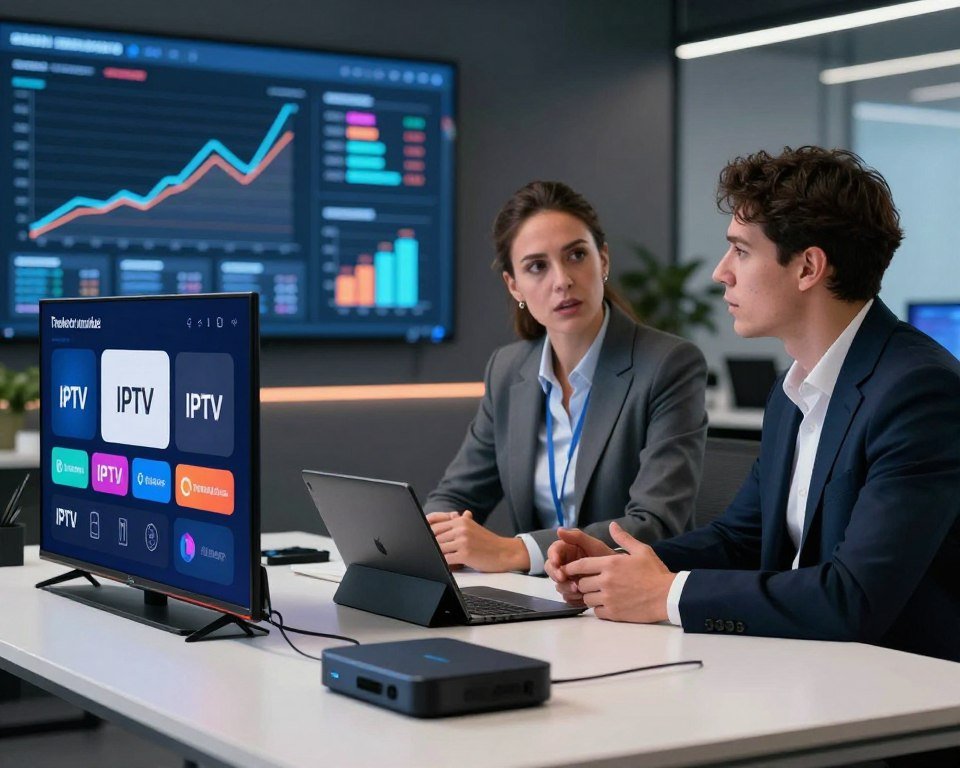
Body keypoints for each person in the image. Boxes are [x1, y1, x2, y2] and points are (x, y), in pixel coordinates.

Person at [546, 147, 960, 667]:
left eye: (741, 251)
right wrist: (618, 566)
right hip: (818, 672)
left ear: (808, 266)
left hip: (910, 694)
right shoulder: (794, 389)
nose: (722, 272)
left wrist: (666, 594)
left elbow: (854, 598)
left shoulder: (916, 392)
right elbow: (740, 538)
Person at [424, 180, 708, 574]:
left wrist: (516, 552)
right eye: (537, 266)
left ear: (603, 260)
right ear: (514, 285)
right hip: (540, 601)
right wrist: (431, 538)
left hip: (630, 601)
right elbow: (456, 494)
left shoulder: (667, 364)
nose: (562, 280)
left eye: (576, 255)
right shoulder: (507, 370)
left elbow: (655, 522)